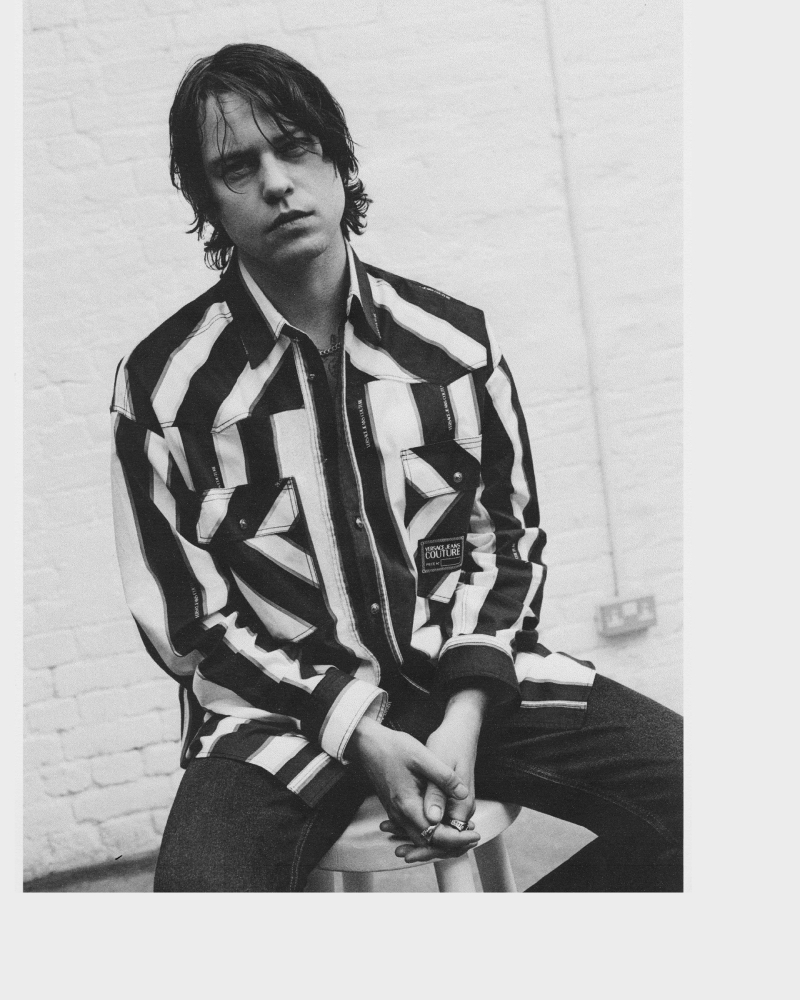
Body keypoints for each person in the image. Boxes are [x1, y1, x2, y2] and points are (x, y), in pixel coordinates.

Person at [110, 43, 682, 892]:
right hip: (279, 720)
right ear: (207, 202)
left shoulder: (454, 347)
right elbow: (189, 623)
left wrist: (465, 711)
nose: (278, 183)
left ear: (338, 160)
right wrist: (359, 729)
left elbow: (507, 543)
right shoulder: (164, 387)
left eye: (296, 147)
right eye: (238, 167)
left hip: (469, 685)